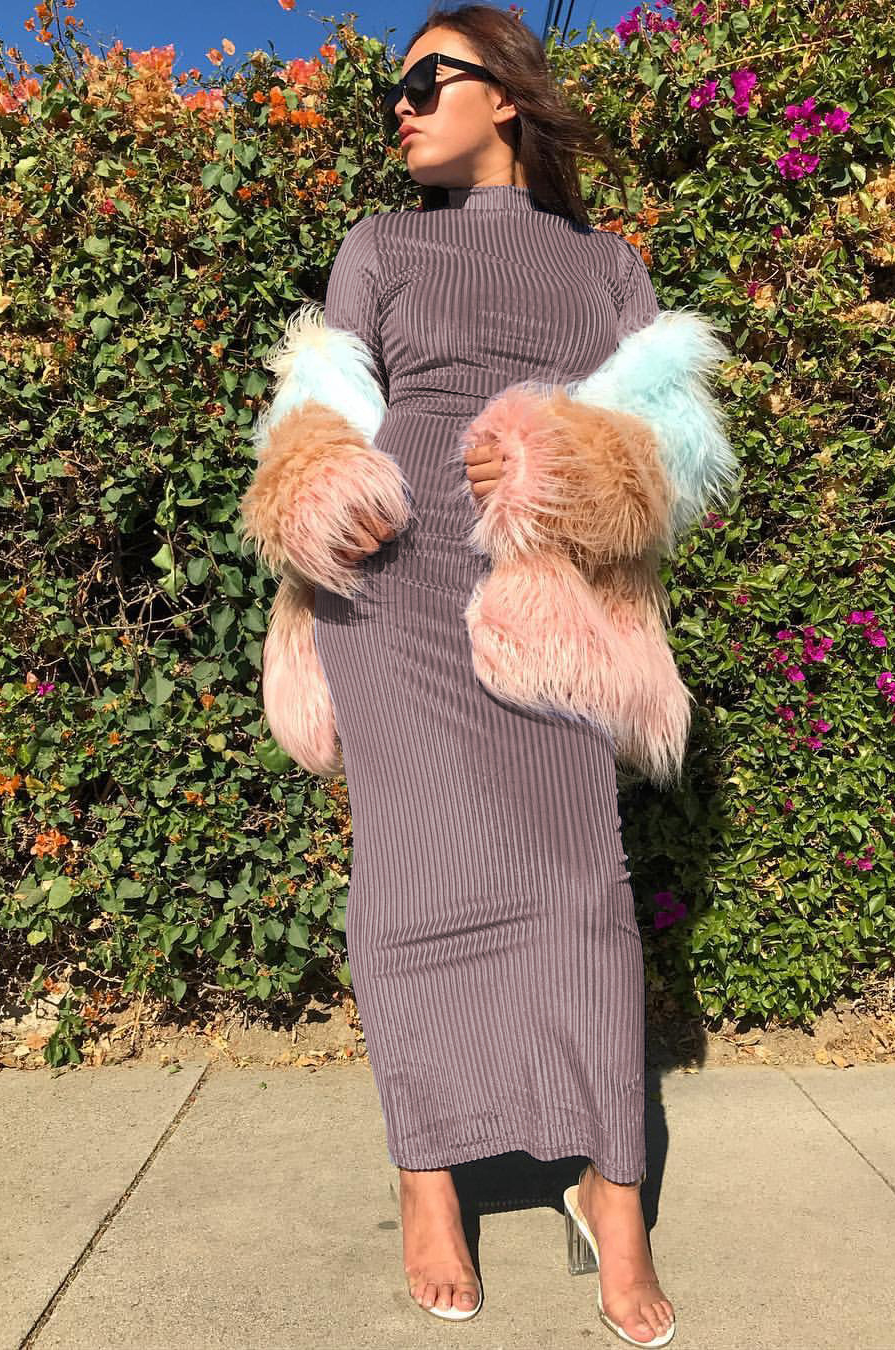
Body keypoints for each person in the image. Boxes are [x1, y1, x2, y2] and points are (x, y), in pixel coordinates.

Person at [271, 6, 676, 1344]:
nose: (401, 103)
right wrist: (325, 492)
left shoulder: (604, 266)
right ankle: (427, 1174)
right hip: (389, 588)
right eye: (393, 88)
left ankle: (611, 1190)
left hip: (537, 595)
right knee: (407, 877)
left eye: (427, 78)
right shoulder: (380, 247)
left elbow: (662, 453)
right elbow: (320, 412)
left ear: (503, 93)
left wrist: (557, 459)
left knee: (582, 887)